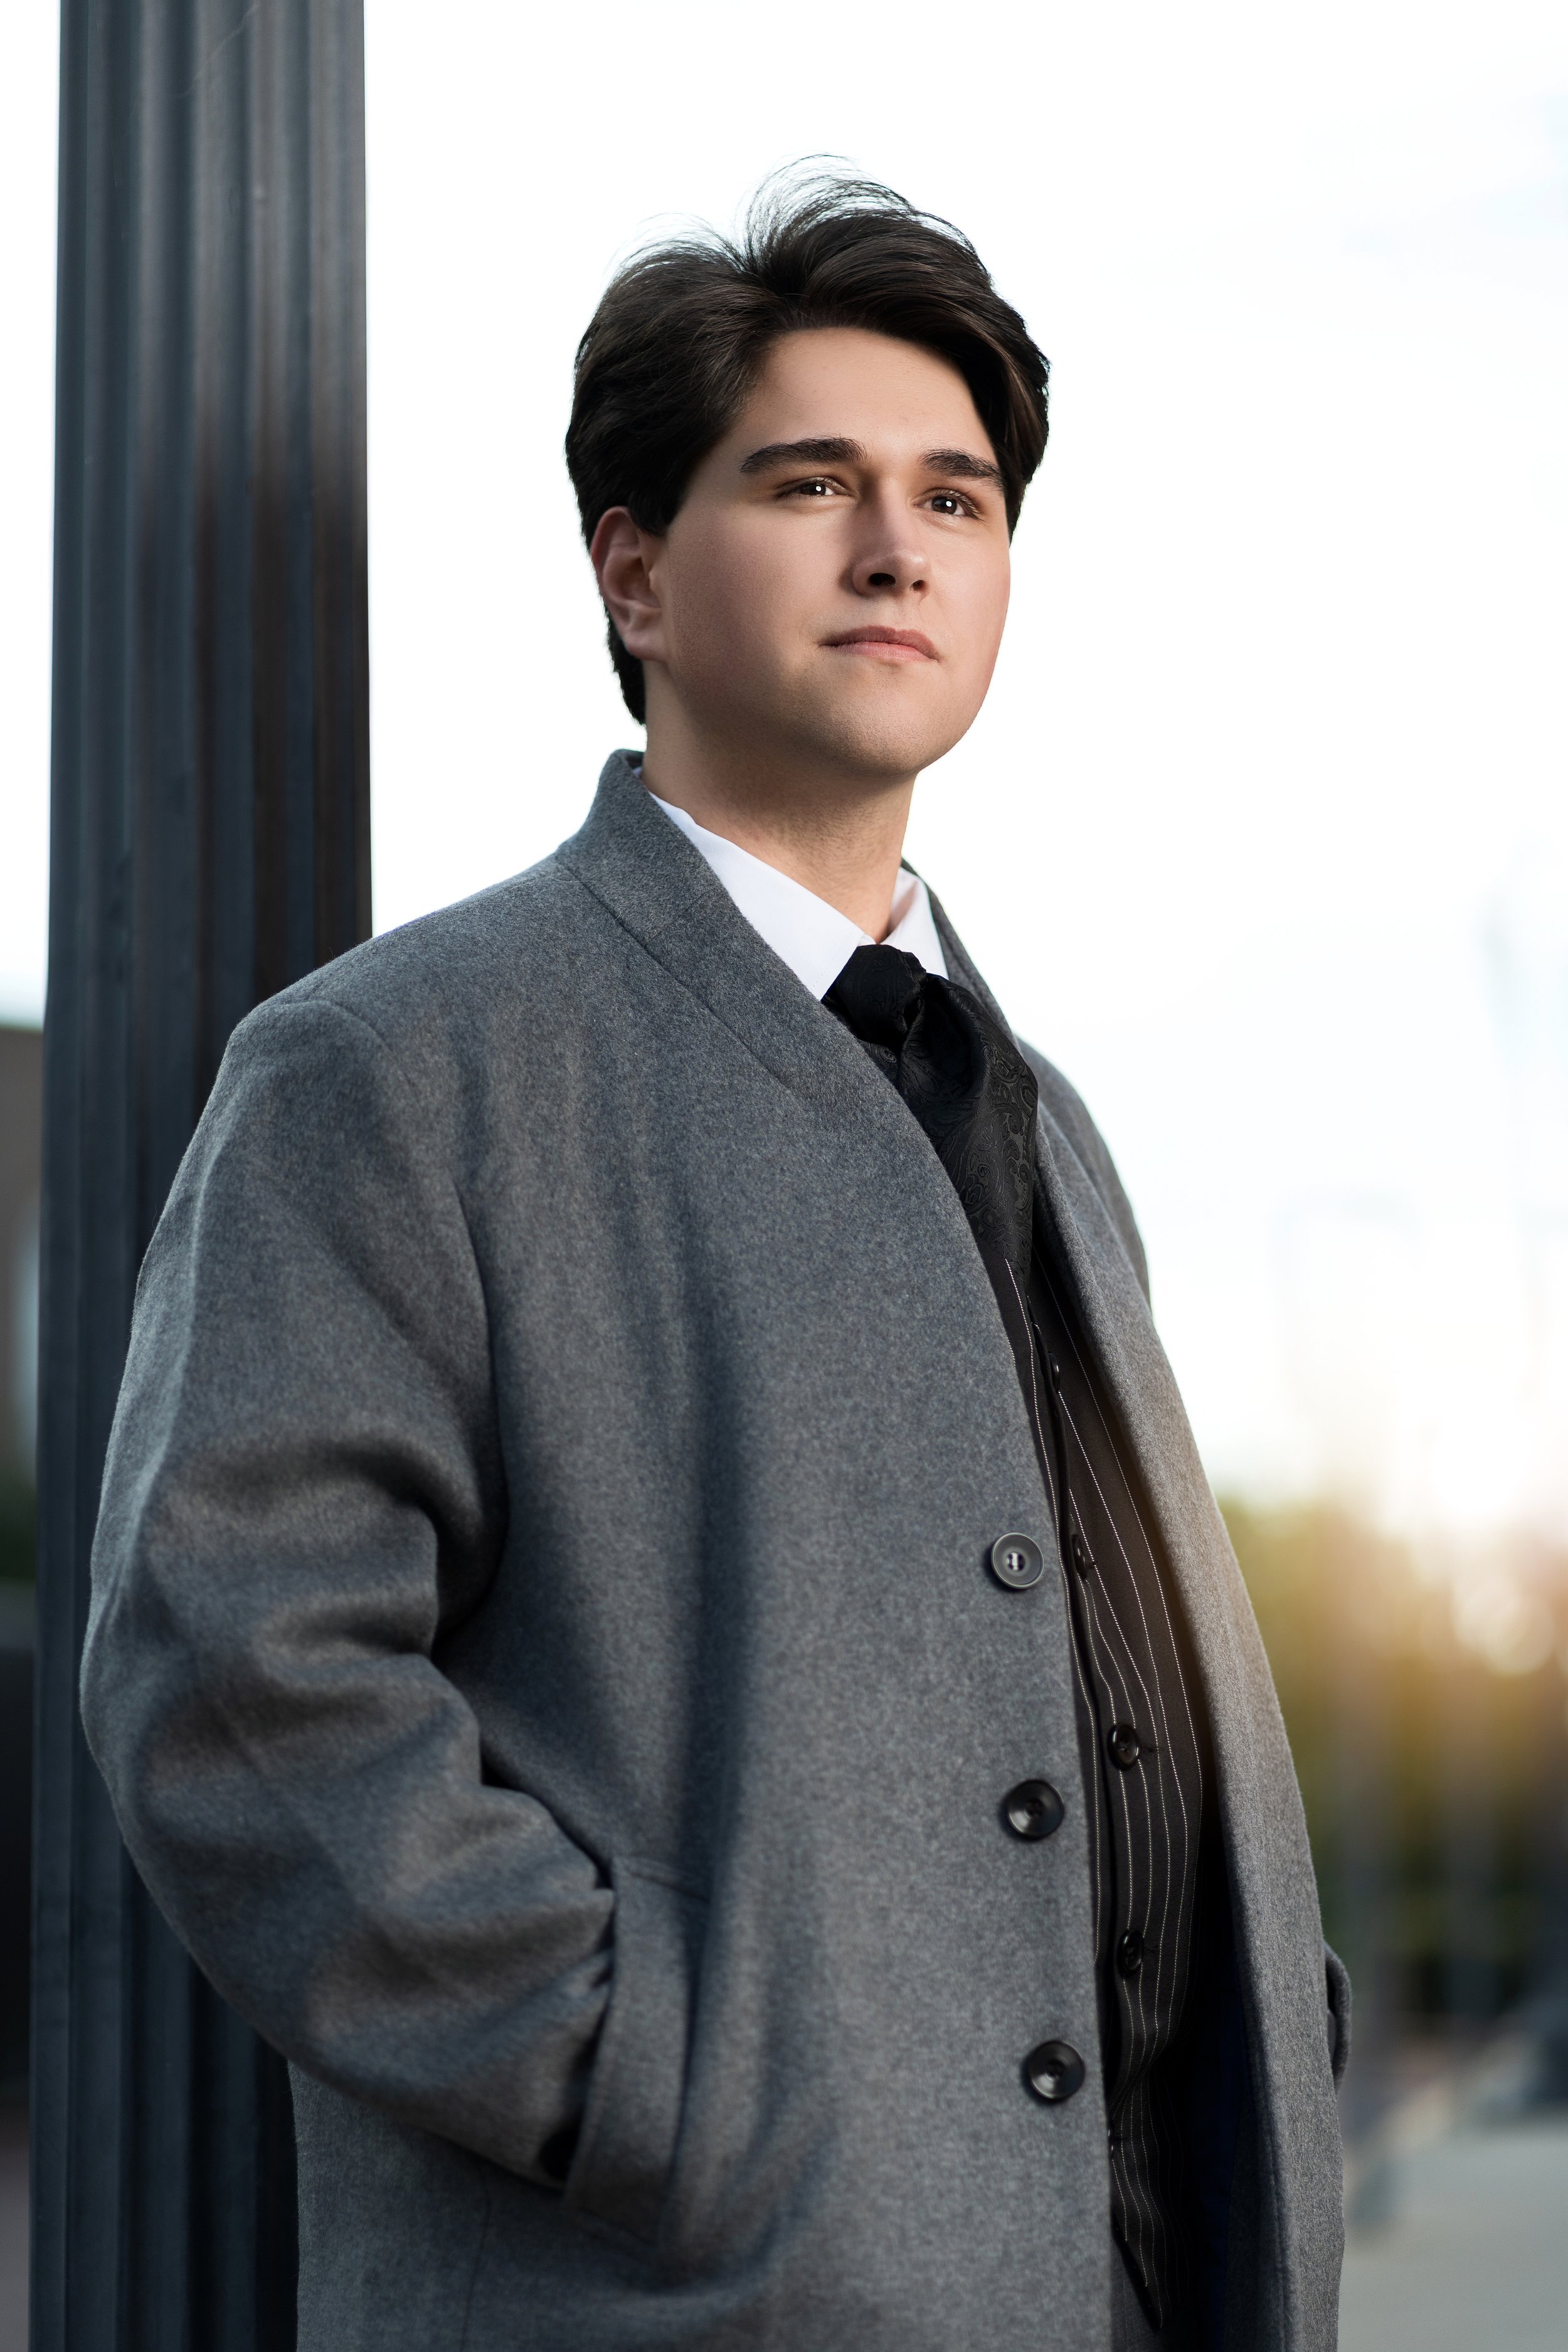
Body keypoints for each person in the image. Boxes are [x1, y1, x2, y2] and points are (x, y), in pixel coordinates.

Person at [82, 172, 1347, 2351]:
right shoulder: (391, 1070)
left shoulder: (1048, 1120)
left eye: (957, 496)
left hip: (1160, 2278)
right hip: (704, 2287)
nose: (901, 547)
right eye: (812, 482)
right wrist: (643, 2076)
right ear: (637, 571)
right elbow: (231, 1671)